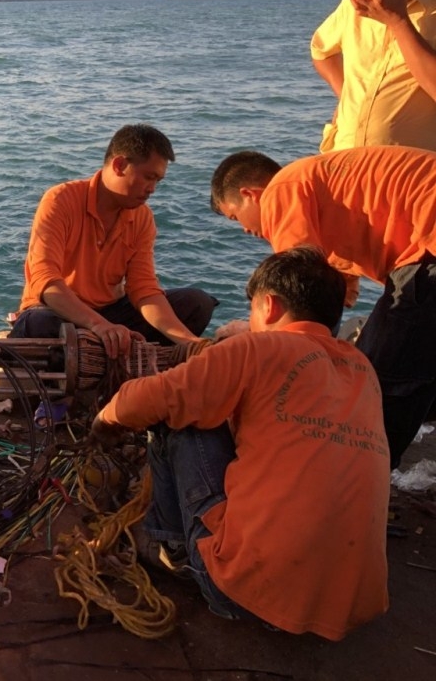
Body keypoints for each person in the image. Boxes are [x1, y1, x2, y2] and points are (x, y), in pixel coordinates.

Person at [93, 247, 389, 640]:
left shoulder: (259, 347)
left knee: (179, 420)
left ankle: (171, 550)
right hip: (351, 605)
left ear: (268, 306)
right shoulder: (362, 368)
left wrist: (104, 421)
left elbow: (153, 399)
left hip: (244, 593)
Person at [210, 145, 436, 468]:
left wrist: (251, 333)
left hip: (427, 242)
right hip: (422, 243)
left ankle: (353, 477)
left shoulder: (281, 189)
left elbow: (296, 281)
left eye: (236, 217)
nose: (245, 230)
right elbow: (323, 300)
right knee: (415, 361)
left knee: (377, 379)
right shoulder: (321, 192)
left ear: (250, 194)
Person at [8, 124, 217, 361]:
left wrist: (192, 342)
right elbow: (44, 280)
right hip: (58, 312)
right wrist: (98, 326)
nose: (153, 189)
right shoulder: (60, 200)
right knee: (40, 323)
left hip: (109, 317)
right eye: (149, 177)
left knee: (196, 303)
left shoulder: (142, 217)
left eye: (158, 181)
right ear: (119, 165)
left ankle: (147, 375)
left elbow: (144, 289)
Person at [311, 0, 436, 152]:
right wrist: (346, 96)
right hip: (343, 161)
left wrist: (398, 22)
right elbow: (321, 50)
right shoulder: (356, 3)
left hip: (411, 175)